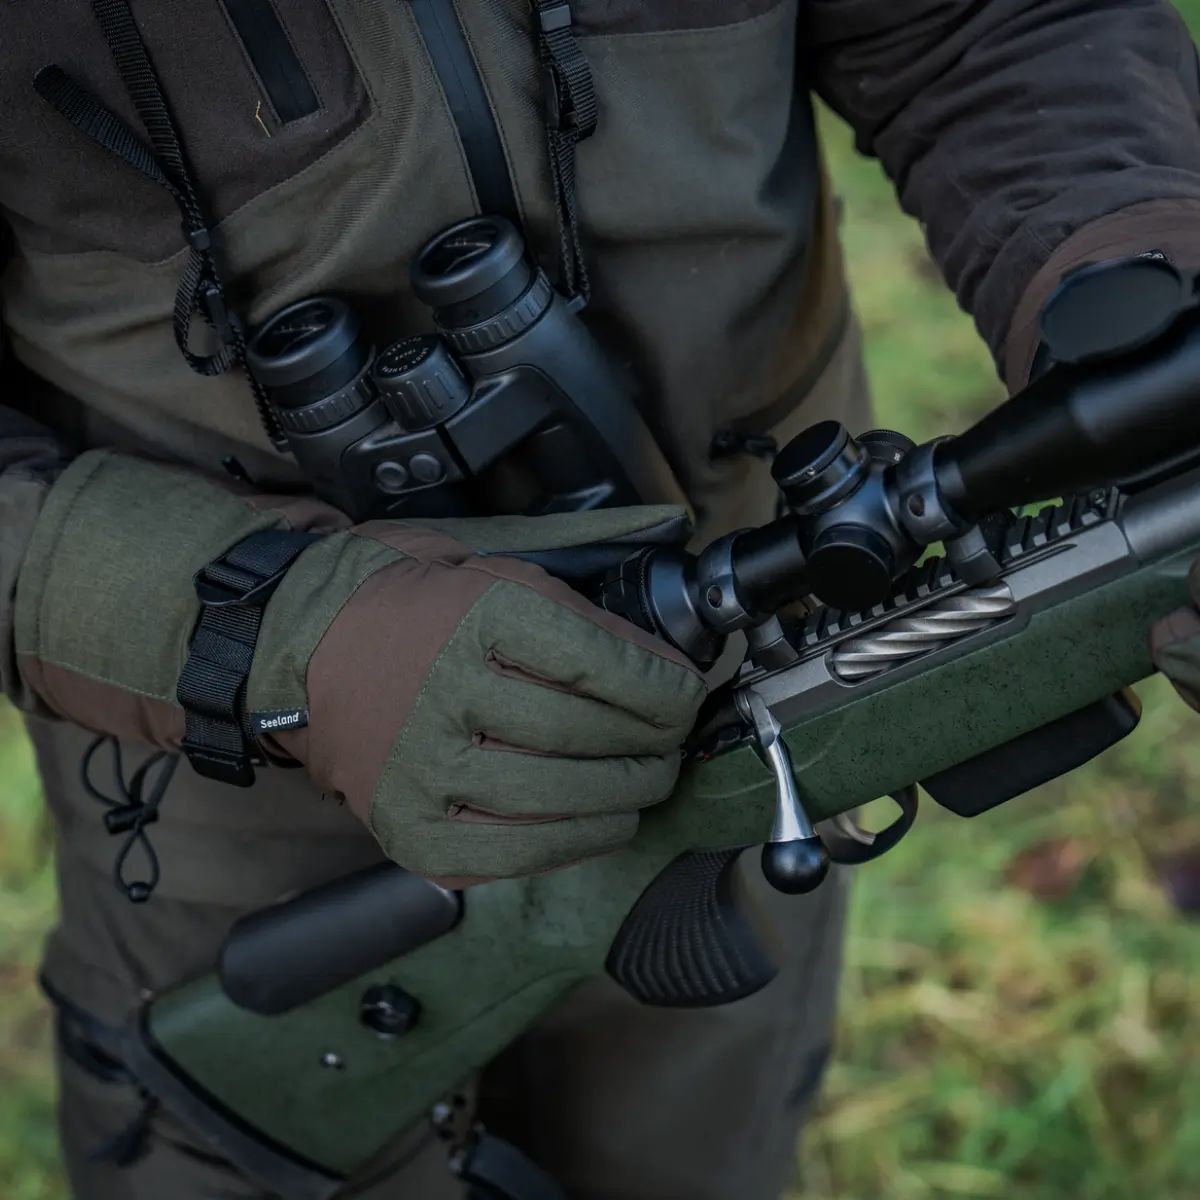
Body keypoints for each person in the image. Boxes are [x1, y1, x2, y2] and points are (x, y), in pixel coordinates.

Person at [4, 2, 1200, 1197]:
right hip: (233, 791)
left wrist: (1127, 290)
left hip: (778, 692)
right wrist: (280, 636)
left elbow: (978, 26)